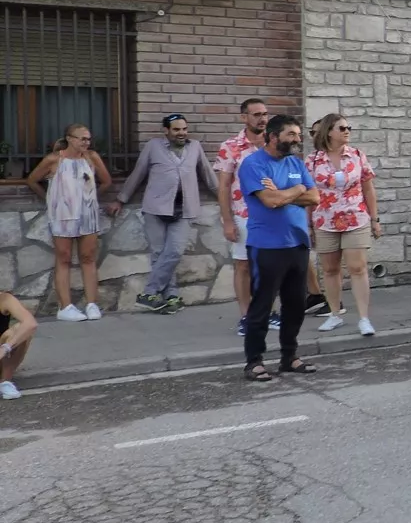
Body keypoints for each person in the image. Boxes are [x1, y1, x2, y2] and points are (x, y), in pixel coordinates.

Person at [238, 114, 320, 381]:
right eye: (291, 135)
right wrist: (297, 190)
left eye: (298, 134)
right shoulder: (253, 164)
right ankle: (254, 361)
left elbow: (315, 196)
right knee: (262, 304)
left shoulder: (296, 163)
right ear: (273, 137)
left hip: (297, 243)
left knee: (295, 305)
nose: (297, 139)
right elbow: (269, 202)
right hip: (266, 246)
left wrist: (287, 191)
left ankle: (289, 357)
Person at [117, 114, 219, 313]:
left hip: (185, 209)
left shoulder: (195, 147)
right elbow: (138, 173)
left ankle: (149, 292)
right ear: (166, 131)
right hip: (156, 208)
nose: (181, 133)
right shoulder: (153, 146)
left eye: (183, 129)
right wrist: (121, 199)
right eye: (176, 129)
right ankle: (171, 297)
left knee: (174, 251)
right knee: (158, 254)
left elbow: (207, 174)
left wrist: (225, 198)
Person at [26, 123, 120, 322]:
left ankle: (92, 304)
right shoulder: (54, 160)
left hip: (88, 215)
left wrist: (90, 198)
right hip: (62, 216)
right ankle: (65, 307)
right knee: (64, 258)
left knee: (88, 257)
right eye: (82, 138)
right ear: (69, 138)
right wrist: (50, 199)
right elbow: (32, 180)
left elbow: (106, 181)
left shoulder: (91, 158)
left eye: (88, 139)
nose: (86, 142)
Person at [306, 113, 382, 336]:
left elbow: (368, 189)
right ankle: (335, 315)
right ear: (329, 131)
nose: (347, 131)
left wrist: (375, 219)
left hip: (355, 218)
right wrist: (308, 225)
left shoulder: (357, 155)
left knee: (358, 268)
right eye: (342, 128)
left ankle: (364, 318)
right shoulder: (312, 160)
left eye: (348, 127)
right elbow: (308, 194)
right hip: (324, 220)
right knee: (330, 269)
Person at [215, 98, 274, 336]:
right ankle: (246, 316)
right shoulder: (231, 147)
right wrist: (227, 220)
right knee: (243, 265)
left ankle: (267, 312)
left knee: (270, 267)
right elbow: (223, 187)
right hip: (243, 214)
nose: (262, 118)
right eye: (257, 114)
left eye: (265, 114)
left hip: (273, 215)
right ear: (244, 117)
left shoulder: (273, 144)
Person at [0, 292, 38, 399]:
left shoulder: (4, 298)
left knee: (19, 330)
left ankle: (4, 382)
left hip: (1, 357)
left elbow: (30, 323)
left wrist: (5, 348)